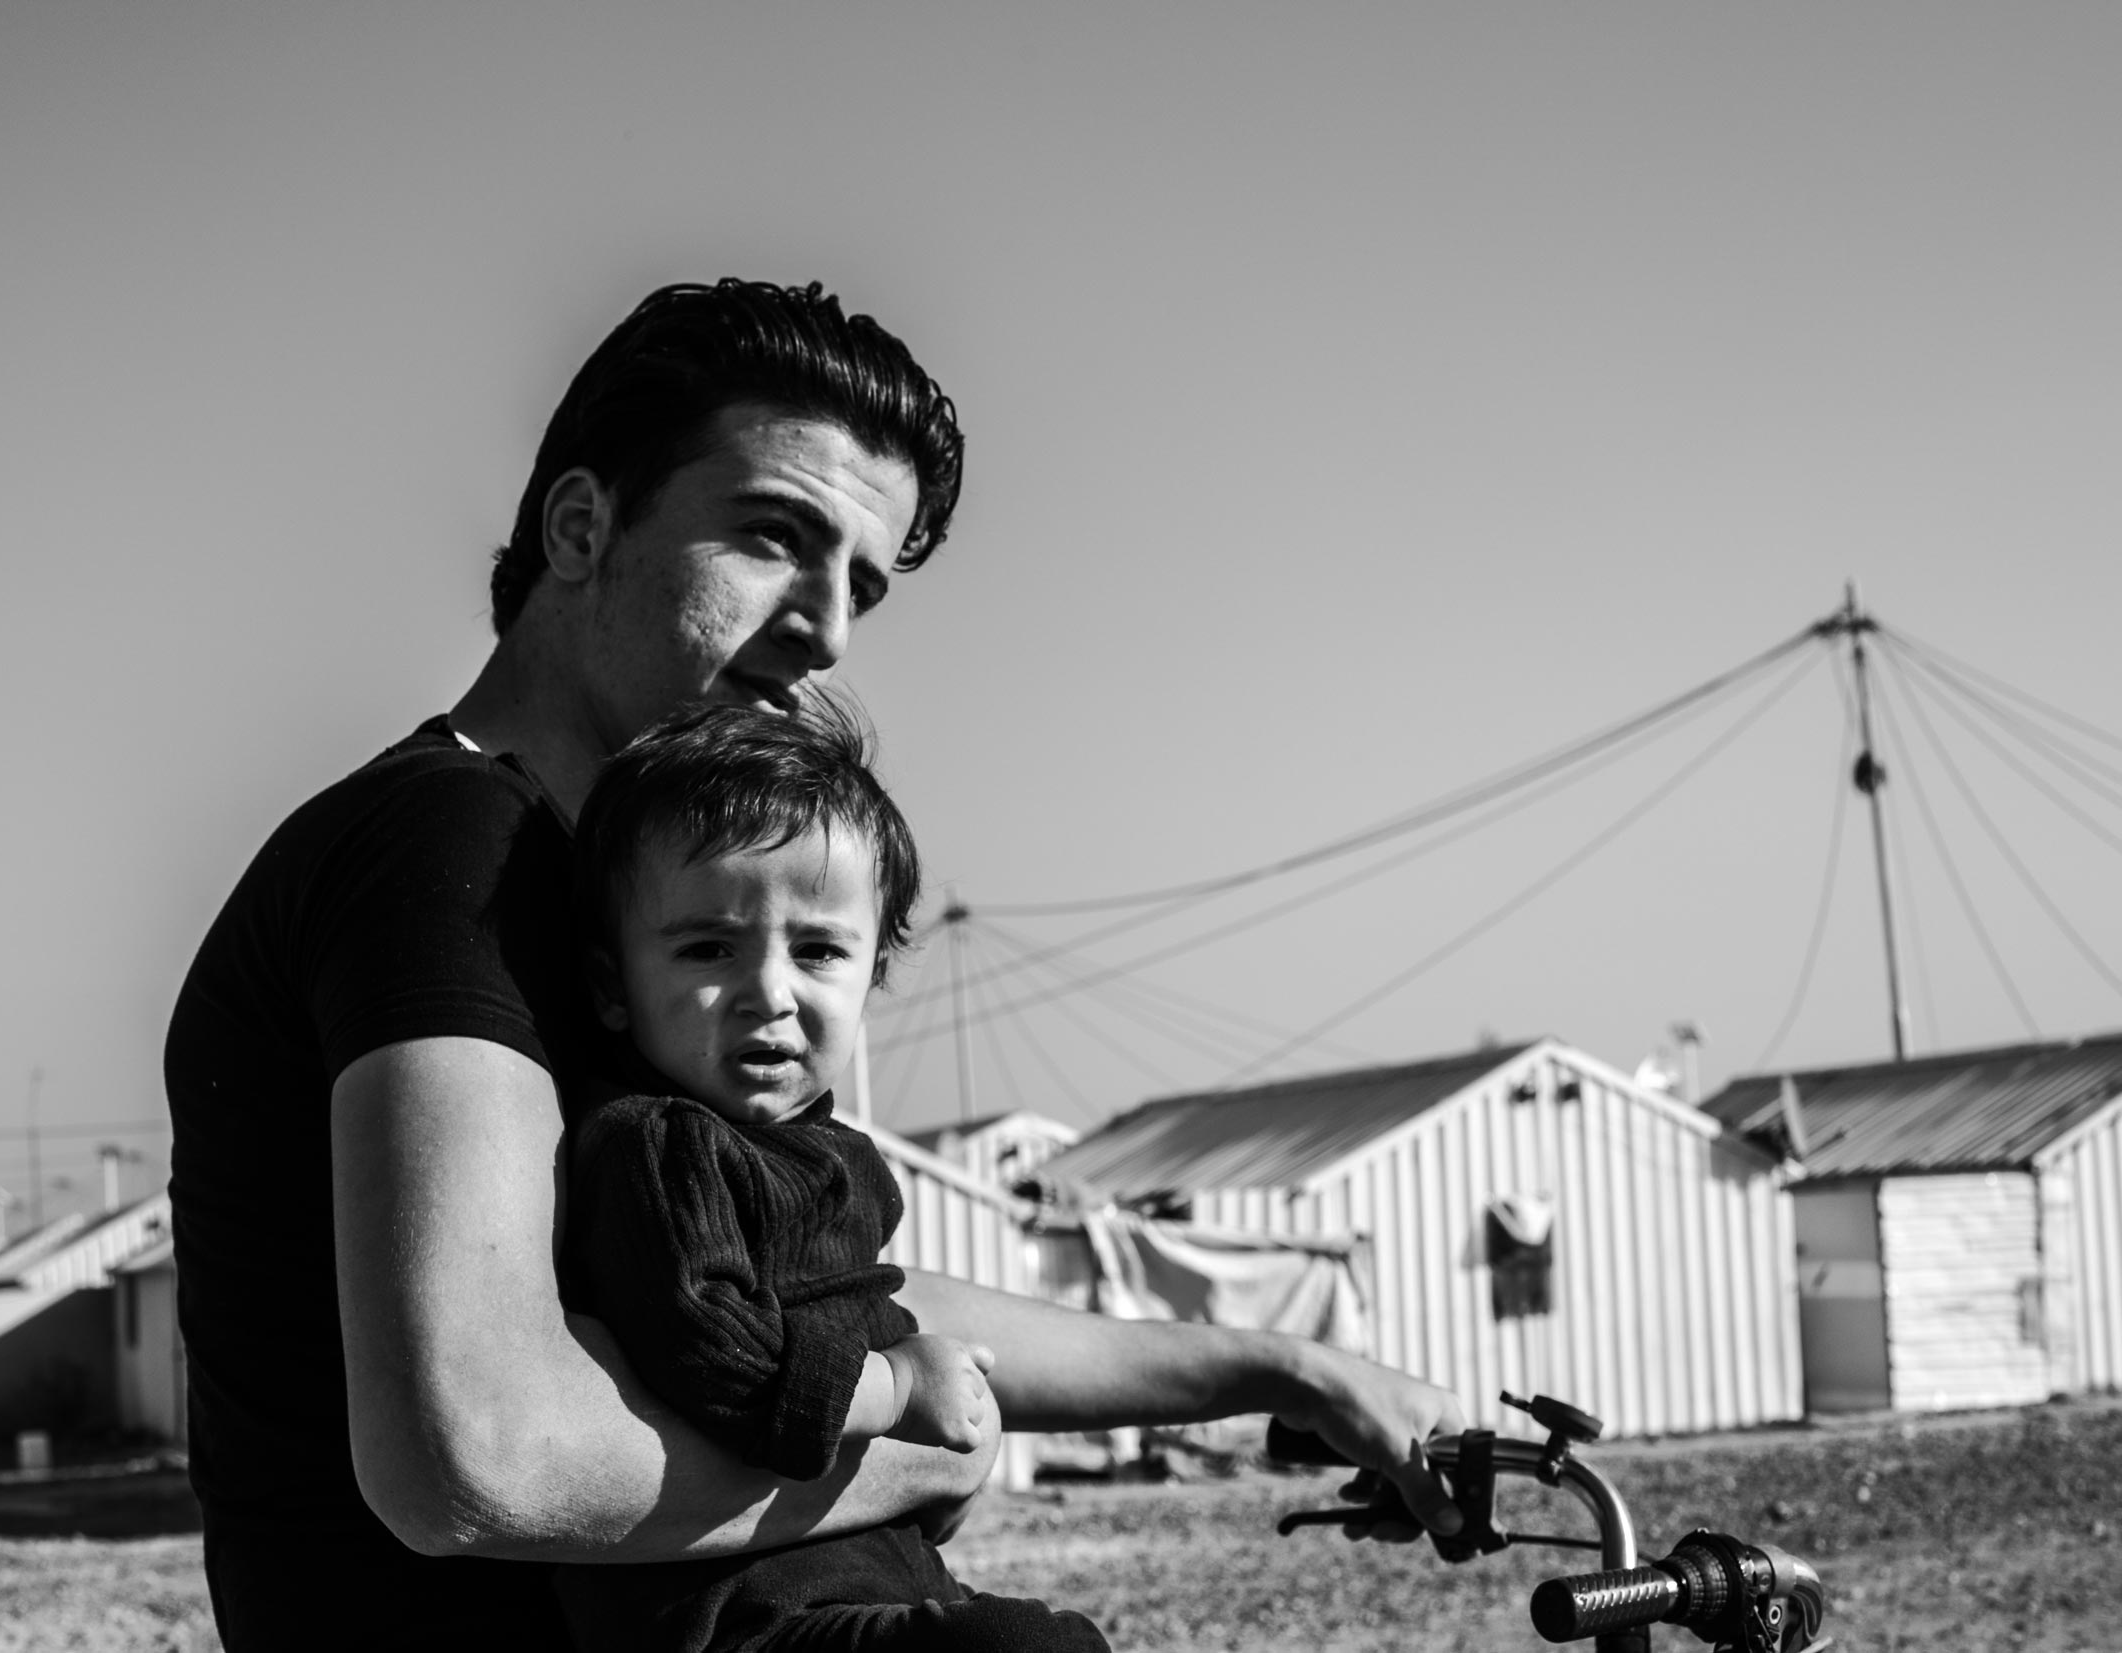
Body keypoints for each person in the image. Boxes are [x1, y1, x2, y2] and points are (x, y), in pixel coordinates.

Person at [165, 278, 1466, 1653]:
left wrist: (1289, 1366)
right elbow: (474, 1456)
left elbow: (799, 1281)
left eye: (862, 582)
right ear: (580, 524)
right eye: (776, 537)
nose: (828, 626)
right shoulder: (448, 845)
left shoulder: (632, 899)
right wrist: (926, 1445)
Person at [553, 701, 1107, 1651]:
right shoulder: (660, 1147)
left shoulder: (833, 1154)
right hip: (734, 1616)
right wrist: (896, 1387)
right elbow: (715, 1354)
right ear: (611, 985)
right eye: (706, 948)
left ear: (873, 973)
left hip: (857, 1574)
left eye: (816, 950)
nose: (770, 992)